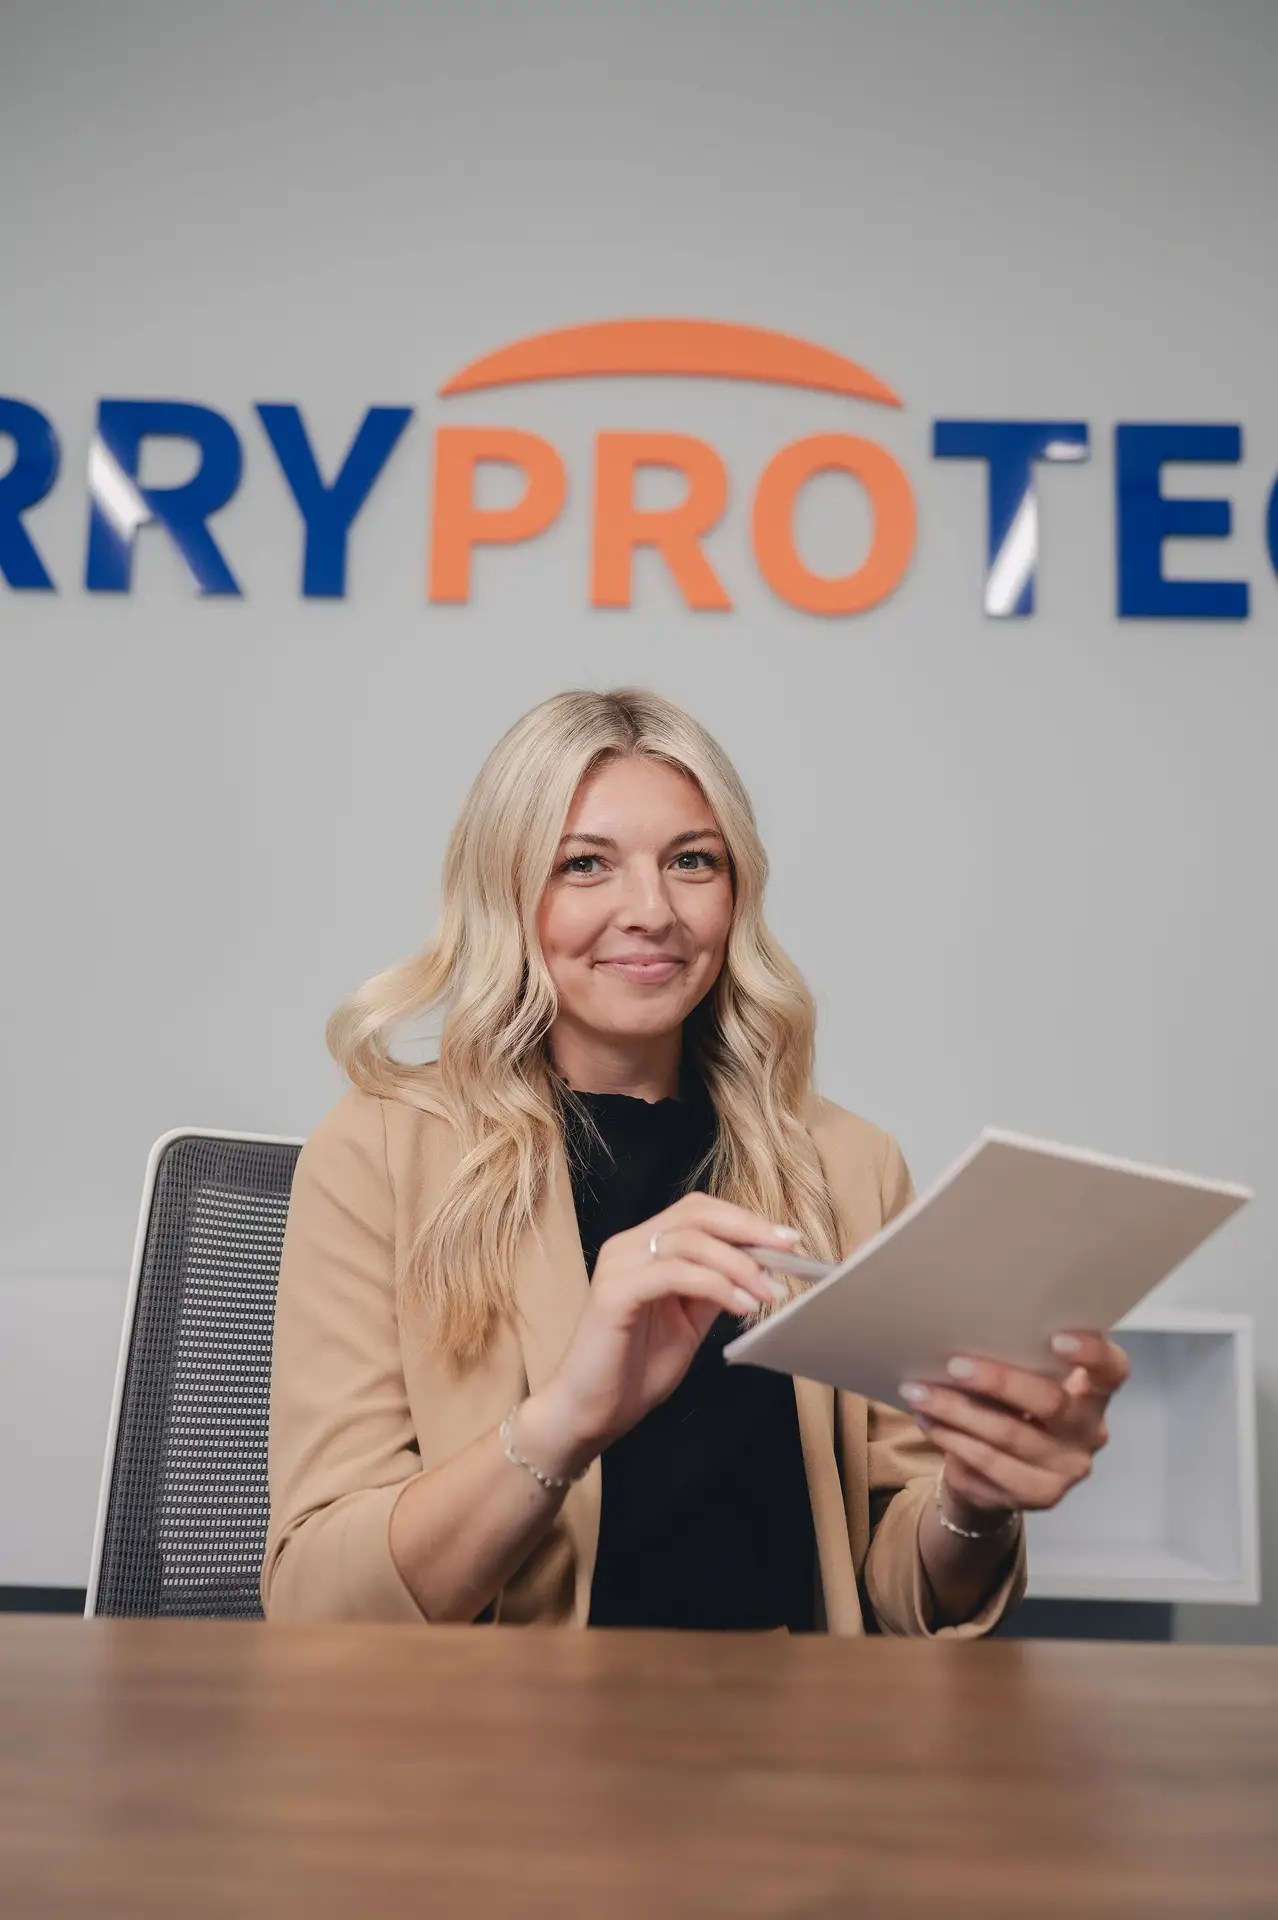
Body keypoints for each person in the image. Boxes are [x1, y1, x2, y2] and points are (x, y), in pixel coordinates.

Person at [261, 687, 1128, 1633]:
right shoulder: (381, 1150)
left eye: (692, 862)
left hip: (795, 1712)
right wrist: (566, 1422)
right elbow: (318, 1601)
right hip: (510, 1722)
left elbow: (899, 1597)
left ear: (736, 891)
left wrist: (975, 1500)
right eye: (584, 864)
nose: (653, 911)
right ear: (506, 893)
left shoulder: (847, 1165)